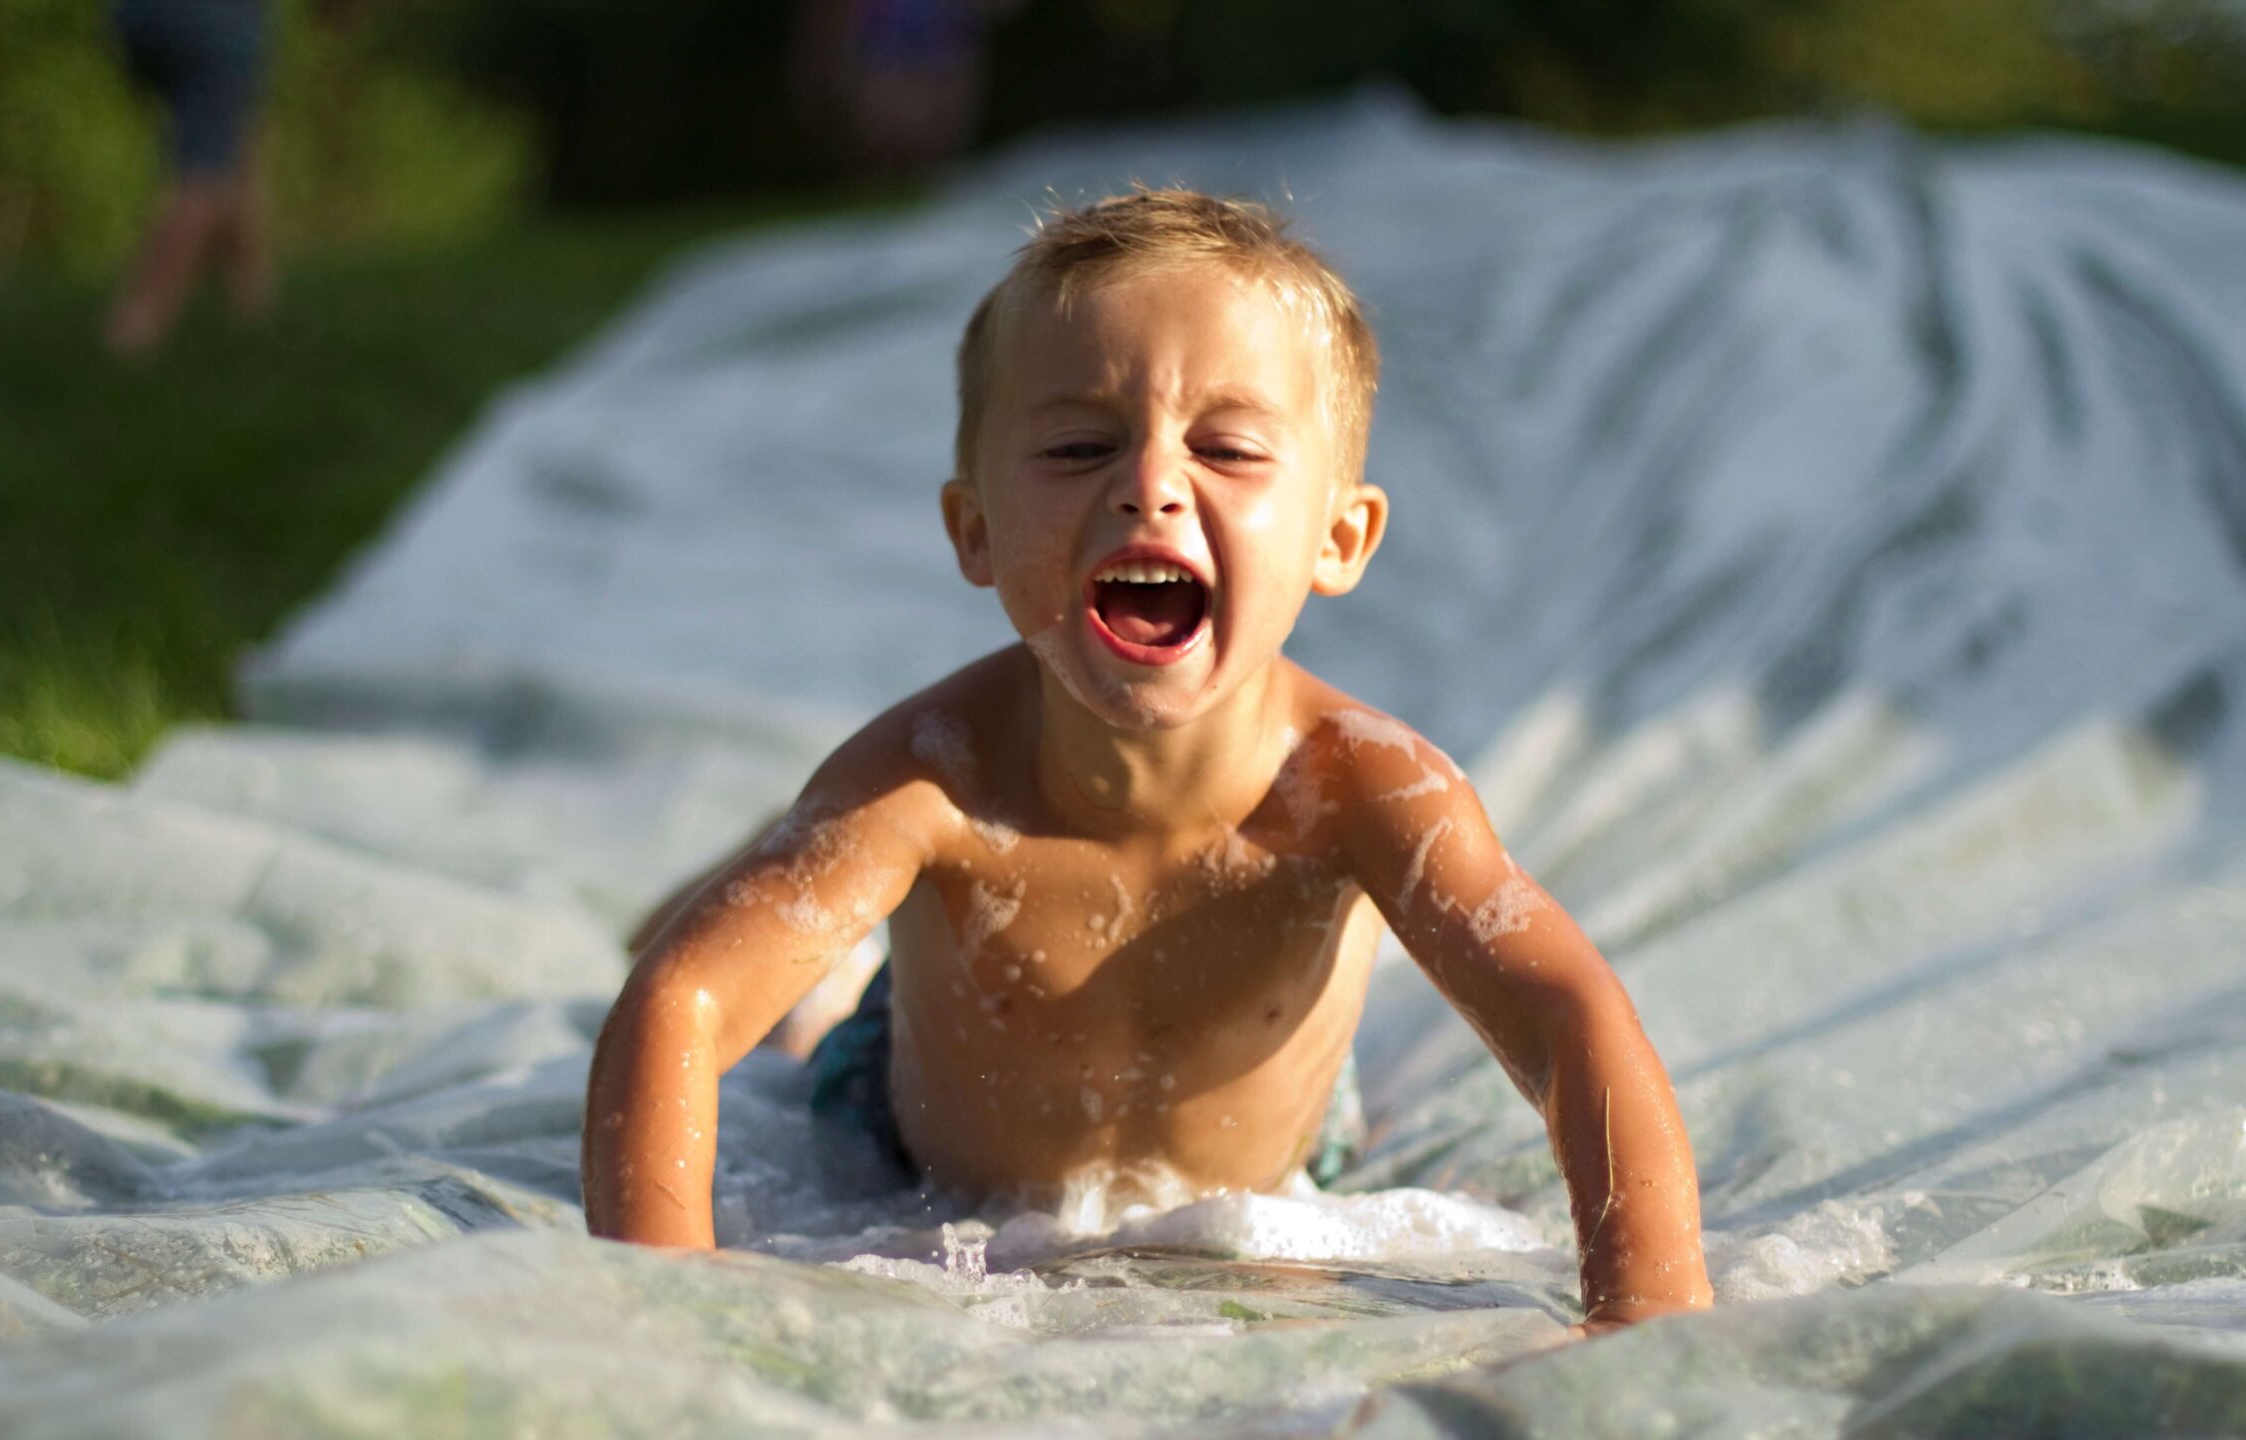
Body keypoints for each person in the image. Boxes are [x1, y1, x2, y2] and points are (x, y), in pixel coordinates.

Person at [582, 188, 1715, 1334]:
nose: (1150, 484)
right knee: (801, 1026)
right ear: (973, 532)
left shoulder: (1364, 790)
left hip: (1280, 1157)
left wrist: (1646, 1314)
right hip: (901, 1119)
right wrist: (662, 1311)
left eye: (1226, 447)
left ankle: (806, 881)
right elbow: (682, 1000)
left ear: (1339, 538)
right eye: (1079, 446)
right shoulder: (929, 780)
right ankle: (796, 921)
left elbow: (1567, 1018)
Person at [103, 0, 273, 357]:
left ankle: (251, 301)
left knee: (231, 140)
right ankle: (136, 330)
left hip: (133, 15)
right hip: (212, 17)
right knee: (207, 174)